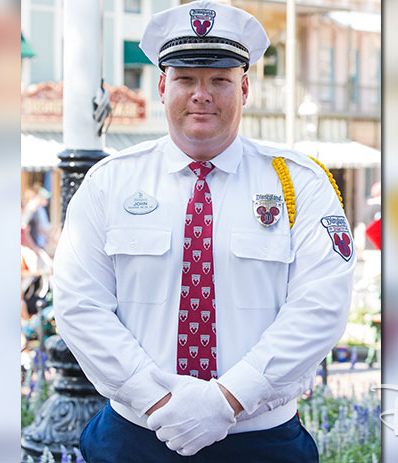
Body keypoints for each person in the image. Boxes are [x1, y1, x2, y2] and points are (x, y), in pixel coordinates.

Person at [53, 1, 355, 461]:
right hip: (136, 436)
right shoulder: (110, 183)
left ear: (246, 87)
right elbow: (80, 305)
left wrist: (228, 399)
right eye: (186, 79)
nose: (202, 94)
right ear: (161, 85)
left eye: (219, 80)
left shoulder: (299, 183)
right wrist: (158, 401)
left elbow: (320, 305)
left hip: (259, 440)